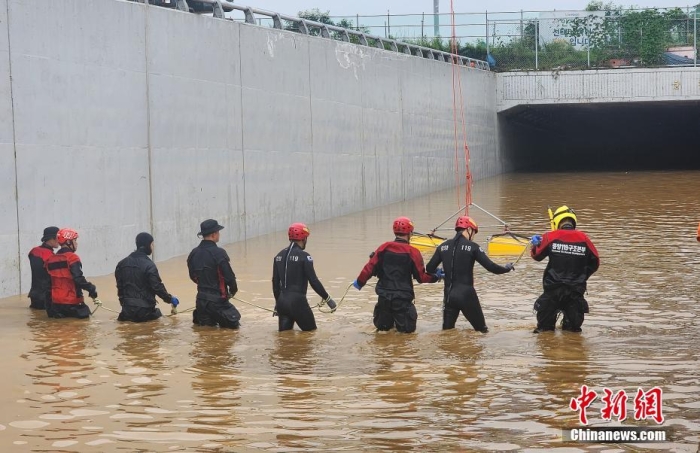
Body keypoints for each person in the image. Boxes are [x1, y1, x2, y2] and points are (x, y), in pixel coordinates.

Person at [426, 216, 514, 333]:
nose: (473, 236)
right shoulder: (473, 247)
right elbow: (492, 267)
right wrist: (506, 268)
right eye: (474, 232)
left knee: (447, 334)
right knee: (482, 332)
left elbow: (429, 268)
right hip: (466, 295)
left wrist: (439, 273)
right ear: (468, 229)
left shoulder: (443, 246)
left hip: (448, 296)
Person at [352, 216, 439, 333]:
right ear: (410, 233)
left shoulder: (383, 247)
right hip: (402, 301)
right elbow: (421, 277)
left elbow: (369, 268)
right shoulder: (413, 252)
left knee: (383, 333)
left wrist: (359, 282)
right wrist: (436, 277)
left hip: (384, 300)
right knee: (407, 336)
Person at [530, 205, 600, 333]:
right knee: (573, 333)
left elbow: (537, 256)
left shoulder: (550, 236)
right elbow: (595, 262)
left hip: (553, 290)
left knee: (544, 332)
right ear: (573, 221)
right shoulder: (584, 238)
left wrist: (534, 245)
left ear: (557, 222)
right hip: (575, 292)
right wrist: (582, 275)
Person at [272, 223, 336, 332]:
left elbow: (275, 284)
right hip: (298, 303)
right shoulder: (305, 256)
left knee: (285, 341)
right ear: (304, 238)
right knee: (311, 335)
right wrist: (327, 298)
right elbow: (314, 281)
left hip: (282, 302)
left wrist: (278, 303)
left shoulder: (278, 256)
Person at [187, 219, 241, 329]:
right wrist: (232, 292)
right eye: (218, 232)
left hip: (201, 302)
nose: (219, 234)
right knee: (233, 329)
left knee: (206, 335)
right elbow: (230, 278)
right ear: (213, 234)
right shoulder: (219, 253)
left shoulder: (193, 253)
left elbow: (193, 277)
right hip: (218, 302)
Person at [115, 232, 179, 322]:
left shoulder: (121, 264)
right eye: (152, 244)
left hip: (126, 312)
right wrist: (170, 299)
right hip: (145, 312)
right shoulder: (149, 265)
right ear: (148, 245)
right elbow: (157, 287)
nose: (153, 247)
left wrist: (125, 305)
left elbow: (120, 288)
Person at [45, 228, 100, 319]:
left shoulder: (50, 259)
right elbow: (78, 278)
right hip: (73, 303)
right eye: (75, 240)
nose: (76, 243)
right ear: (69, 242)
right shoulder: (72, 258)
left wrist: (49, 309)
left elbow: (48, 286)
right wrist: (91, 289)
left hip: (56, 305)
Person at [27, 226, 60, 310]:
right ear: (52, 239)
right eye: (58, 238)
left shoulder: (33, 251)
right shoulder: (50, 256)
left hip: (34, 295)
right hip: (46, 296)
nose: (59, 241)